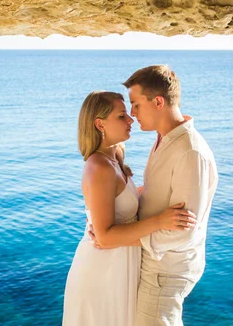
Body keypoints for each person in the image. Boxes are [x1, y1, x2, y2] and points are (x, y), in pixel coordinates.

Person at [63, 91, 197, 326]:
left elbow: (127, 198)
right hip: (102, 272)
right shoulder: (98, 167)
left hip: (120, 266)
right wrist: (160, 222)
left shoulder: (114, 157)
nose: (131, 120)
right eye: (122, 116)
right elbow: (103, 237)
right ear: (99, 124)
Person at [123, 65, 219, 325]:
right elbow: (157, 194)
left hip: (165, 270)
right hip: (158, 265)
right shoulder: (165, 139)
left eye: (135, 104)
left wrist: (121, 238)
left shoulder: (190, 152)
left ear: (158, 101)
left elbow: (182, 230)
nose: (131, 114)